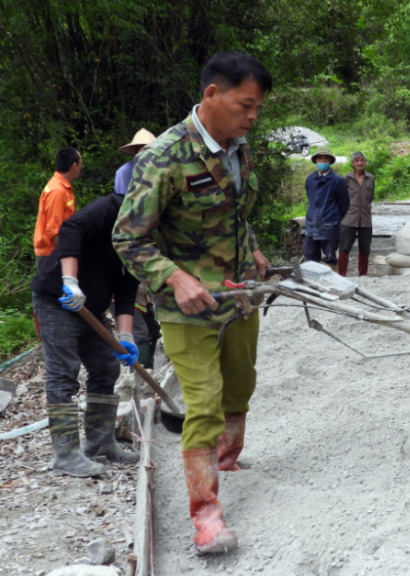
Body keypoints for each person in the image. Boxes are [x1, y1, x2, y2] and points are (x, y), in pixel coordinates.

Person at [113, 51, 273, 555]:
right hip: (186, 304)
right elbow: (128, 239)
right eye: (246, 105)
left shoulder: (237, 148)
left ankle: (224, 458)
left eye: (257, 108)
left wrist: (253, 249)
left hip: (238, 291)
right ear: (212, 95)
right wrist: (175, 278)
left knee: (240, 384)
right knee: (201, 402)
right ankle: (206, 513)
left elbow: (234, 214)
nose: (252, 117)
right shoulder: (162, 157)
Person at [32, 193, 141, 478]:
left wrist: (126, 336)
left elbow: (127, 288)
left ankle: (100, 442)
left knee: (106, 368)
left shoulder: (146, 235)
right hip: (58, 298)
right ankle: (66, 454)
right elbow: (70, 229)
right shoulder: (113, 206)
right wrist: (70, 280)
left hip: (92, 308)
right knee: (64, 373)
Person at [113, 128, 162, 367]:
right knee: (138, 302)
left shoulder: (162, 171)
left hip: (157, 240)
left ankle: (149, 367)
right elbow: (124, 214)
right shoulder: (125, 174)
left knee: (152, 320)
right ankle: (140, 374)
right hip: (135, 242)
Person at [34, 147, 81, 270]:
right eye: (81, 164)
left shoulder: (62, 187)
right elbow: (53, 230)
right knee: (49, 289)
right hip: (51, 252)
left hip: (55, 251)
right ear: (74, 166)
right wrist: (67, 254)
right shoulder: (57, 191)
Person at [304, 145, 349, 267]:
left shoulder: (337, 180)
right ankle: (312, 284)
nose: (322, 161)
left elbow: (344, 204)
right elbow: (311, 198)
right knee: (310, 258)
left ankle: (331, 284)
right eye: (320, 159)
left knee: (330, 259)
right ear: (316, 161)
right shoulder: (310, 179)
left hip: (330, 225)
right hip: (311, 225)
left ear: (330, 161)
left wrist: (333, 217)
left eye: (325, 159)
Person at [339, 151, 375, 276]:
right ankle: (341, 275)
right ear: (353, 163)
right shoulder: (346, 179)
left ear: (365, 162)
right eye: (357, 161)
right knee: (344, 247)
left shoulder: (370, 178)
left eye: (362, 160)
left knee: (365, 247)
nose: (360, 163)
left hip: (365, 218)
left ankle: (363, 275)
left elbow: (370, 197)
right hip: (349, 218)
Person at [114, 128, 156, 195]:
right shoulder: (124, 172)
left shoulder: (160, 169)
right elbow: (120, 200)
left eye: (150, 148)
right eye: (143, 147)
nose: (147, 151)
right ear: (136, 149)